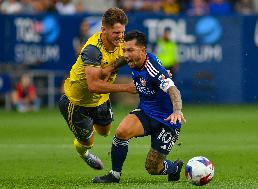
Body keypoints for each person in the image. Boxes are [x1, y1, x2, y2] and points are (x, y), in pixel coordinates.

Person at [93, 31, 186, 183]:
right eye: (124, 50)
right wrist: (110, 69)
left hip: (167, 121)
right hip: (146, 111)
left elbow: (173, 89)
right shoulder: (134, 60)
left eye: (130, 50)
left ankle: (174, 168)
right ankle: (114, 175)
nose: (126, 54)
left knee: (152, 168)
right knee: (121, 132)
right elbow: (123, 59)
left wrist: (177, 110)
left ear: (143, 50)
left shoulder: (153, 68)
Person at [59, 7, 135, 171]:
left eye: (122, 32)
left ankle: (89, 127)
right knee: (89, 142)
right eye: (116, 33)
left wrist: (161, 72)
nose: (120, 36)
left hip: (100, 100)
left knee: (105, 132)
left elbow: (135, 55)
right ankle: (84, 152)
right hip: (76, 103)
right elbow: (93, 86)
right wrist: (126, 88)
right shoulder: (92, 50)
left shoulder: (121, 43)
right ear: (103, 30)